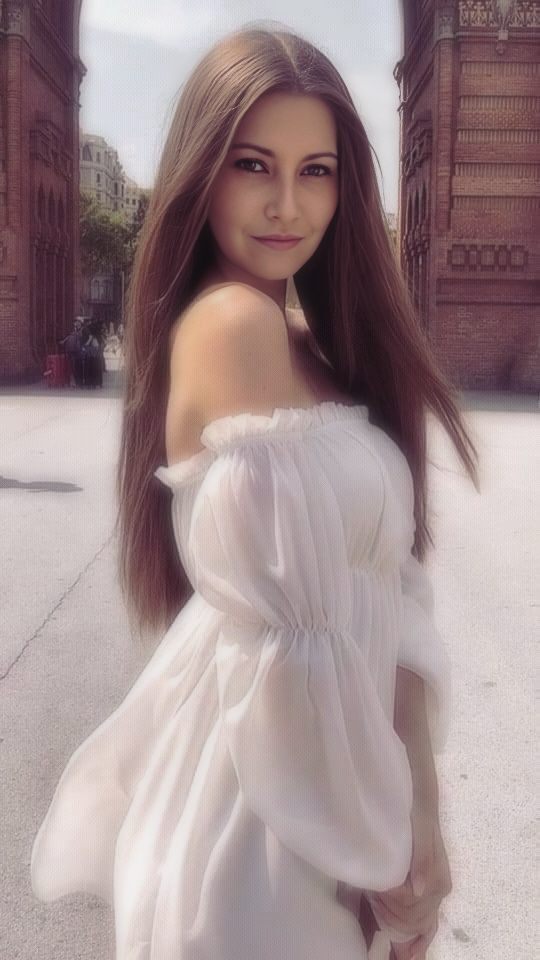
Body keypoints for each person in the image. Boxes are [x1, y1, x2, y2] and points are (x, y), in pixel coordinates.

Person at [30, 22, 480, 960]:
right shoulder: (232, 324)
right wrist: (391, 853)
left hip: (327, 813)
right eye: (252, 165)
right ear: (204, 172)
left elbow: (388, 592)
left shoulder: (310, 346)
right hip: (270, 837)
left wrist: (417, 824)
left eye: (317, 171)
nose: (287, 204)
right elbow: (295, 664)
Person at [59, 318, 84, 387]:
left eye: (78, 322)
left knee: (78, 367)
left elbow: (80, 337)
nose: (76, 323)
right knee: (73, 367)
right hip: (72, 350)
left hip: (78, 351)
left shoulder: (81, 330)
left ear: (80, 323)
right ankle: (75, 382)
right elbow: (69, 336)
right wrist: (64, 341)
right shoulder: (74, 331)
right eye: (76, 322)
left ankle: (79, 382)